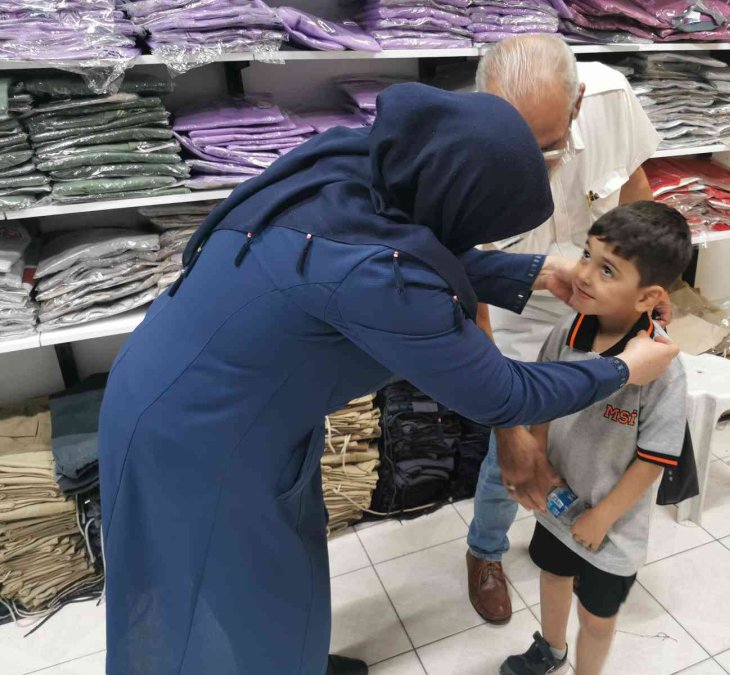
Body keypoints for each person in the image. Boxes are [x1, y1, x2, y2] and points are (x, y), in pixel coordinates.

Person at [98, 84, 679, 675]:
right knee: (214, 590)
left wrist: (532, 270)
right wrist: (621, 368)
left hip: (220, 402)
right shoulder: (378, 276)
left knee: (275, 577)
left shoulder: (360, 161)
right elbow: (504, 392)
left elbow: (414, 244)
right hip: (197, 437)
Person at [465, 35, 664, 625]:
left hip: (596, 288)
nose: (534, 166)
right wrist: (507, 423)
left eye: (548, 147)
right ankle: (485, 550)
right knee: (516, 444)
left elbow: (635, 190)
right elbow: (468, 293)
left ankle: (568, 532)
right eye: (515, 146)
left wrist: (655, 288)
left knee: (602, 429)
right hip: (505, 301)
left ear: (576, 104)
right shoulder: (462, 150)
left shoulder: (610, 98)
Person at [501, 201, 693, 675]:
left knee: (596, 617)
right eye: (587, 254)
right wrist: (535, 459)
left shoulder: (662, 368)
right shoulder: (566, 331)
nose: (583, 274)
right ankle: (550, 648)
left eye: (607, 270)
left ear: (648, 297)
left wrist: (603, 517)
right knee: (552, 575)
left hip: (613, 528)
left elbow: (653, 458)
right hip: (556, 502)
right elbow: (543, 403)